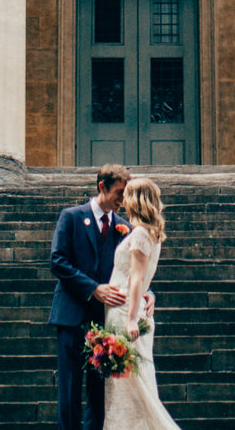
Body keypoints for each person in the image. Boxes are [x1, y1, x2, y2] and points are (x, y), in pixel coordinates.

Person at [49, 164, 132, 430]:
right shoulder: (72, 217)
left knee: (99, 392)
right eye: (120, 192)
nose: (124, 199)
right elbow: (58, 261)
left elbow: (132, 269)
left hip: (105, 321)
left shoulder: (123, 227)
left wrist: (147, 294)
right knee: (70, 388)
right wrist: (93, 288)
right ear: (102, 187)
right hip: (72, 315)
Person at [99, 176, 179, 430]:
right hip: (124, 307)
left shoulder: (142, 233)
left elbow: (136, 278)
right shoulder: (147, 233)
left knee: (132, 381)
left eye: (128, 194)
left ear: (136, 199)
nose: (122, 199)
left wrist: (132, 317)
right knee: (128, 381)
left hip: (125, 311)